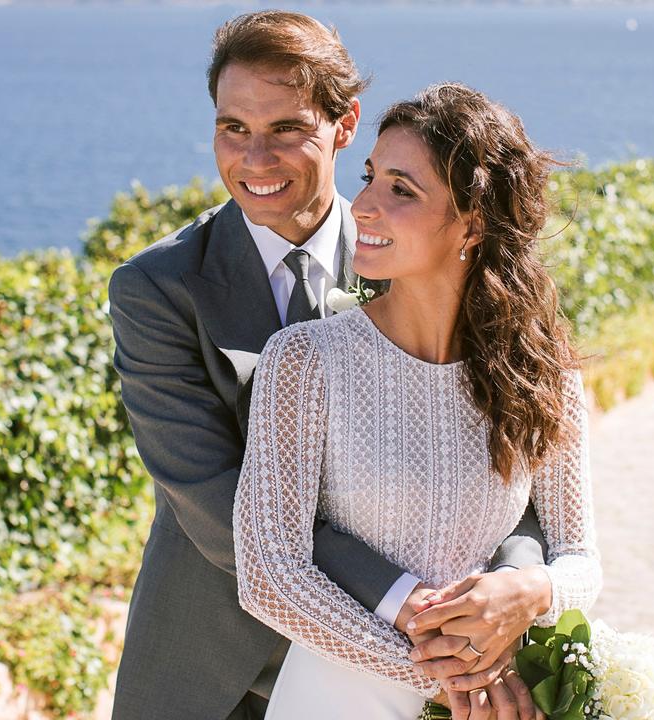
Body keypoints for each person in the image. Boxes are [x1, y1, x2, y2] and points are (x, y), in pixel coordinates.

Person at [107, 12, 556, 720]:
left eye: (286, 129)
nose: (255, 161)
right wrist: (412, 616)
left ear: (344, 125)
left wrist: (514, 586)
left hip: (404, 672)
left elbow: (513, 470)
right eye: (233, 129)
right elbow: (218, 503)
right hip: (217, 677)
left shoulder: (417, 255)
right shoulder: (157, 289)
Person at [233, 82, 602, 719]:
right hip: (344, 695)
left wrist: (531, 591)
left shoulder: (542, 372)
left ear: (475, 222)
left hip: (485, 697)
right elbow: (268, 572)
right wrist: (436, 676)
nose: (364, 206)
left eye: (402, 190)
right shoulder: (304, 360)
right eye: (370, 177)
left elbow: (582, 560)